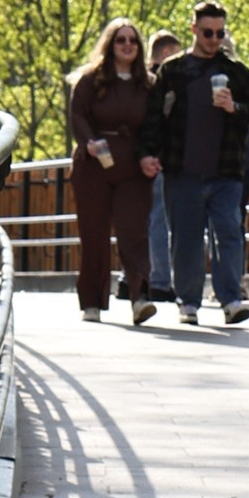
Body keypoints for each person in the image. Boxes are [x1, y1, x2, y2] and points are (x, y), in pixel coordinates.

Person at [140, 0, 249, 327]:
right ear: (194, 30)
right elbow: (153, 117)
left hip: (226, 170)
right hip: (182, 170)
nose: (214, 39)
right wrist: (148, 154)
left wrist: (234, 108)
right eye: (207, 32)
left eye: (219, 33)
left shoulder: (235, 72)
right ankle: (188, 302)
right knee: (185, 239)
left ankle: (231, 300)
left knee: (229, 232)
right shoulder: (173, 71)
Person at [62, 19, 160, 325]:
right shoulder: (90, 80)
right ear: (110, 44)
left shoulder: (148, 84)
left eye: (133, 40)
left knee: (134, 233)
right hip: (94, 165)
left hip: (132, 166)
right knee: (94, 234)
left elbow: (154, 125)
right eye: (121, 40)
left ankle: (140, 297)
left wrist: (149, 156)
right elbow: (77, 115)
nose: (127, 45)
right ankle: (91, 302)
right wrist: (88, 141)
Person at [142, 29, 184, 308]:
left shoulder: (140, 80)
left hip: (144, 156)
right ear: (167, 53)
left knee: (144, 219)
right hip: (161, 157)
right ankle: (160, 280)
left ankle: (133, 278)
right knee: (160, 220)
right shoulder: (164, 82)